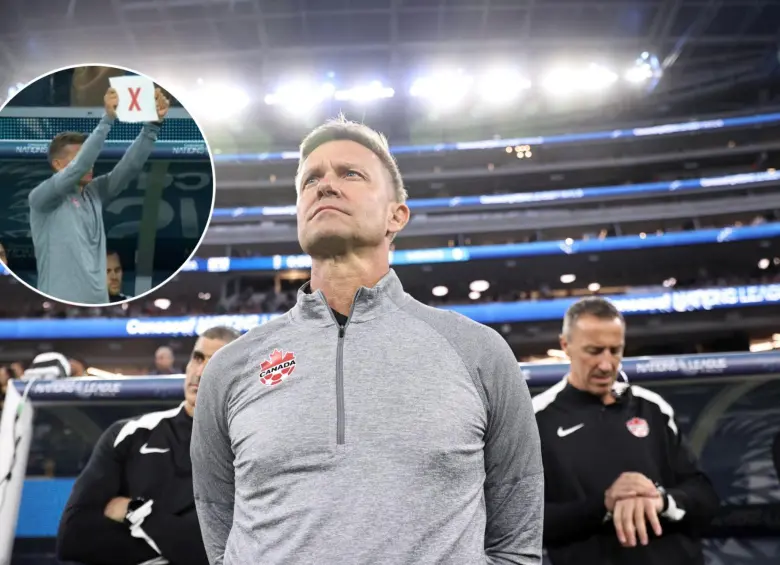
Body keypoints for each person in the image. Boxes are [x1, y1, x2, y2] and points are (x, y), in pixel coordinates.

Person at [191, 116, 544, 565]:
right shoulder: (231, 366)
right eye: (310, 180)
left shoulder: (478, 352)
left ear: (396, 215)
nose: (325, 186)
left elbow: (516, 541)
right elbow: (218, 522)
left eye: (350, 174)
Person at [532, 297, 720, 565]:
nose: (607, 365)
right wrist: (605, 504)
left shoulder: (652, 408)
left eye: (615, 350)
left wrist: (661, 501)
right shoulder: (536, 419)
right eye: (594, 351)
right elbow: (527, 521)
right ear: (566, 345)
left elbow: (706, 498)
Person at [56, 325, 240, 565]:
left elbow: (216, 550)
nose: (200, 371)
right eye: (197, 358)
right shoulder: (128, 433)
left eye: (214, 362)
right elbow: (74, 538)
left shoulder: (244, 448)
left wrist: (137, 511)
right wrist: (174, 545)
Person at [28, 86, 170, 305]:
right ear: (57, 165)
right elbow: (79, 167)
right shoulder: (42, 197)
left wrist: (152, 127)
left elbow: (129, 167)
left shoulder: (94, 192)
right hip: (60, 306)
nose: (89, 163)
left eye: (90, 156)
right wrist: (107, 120)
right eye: (79, 158)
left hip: (101, 304)